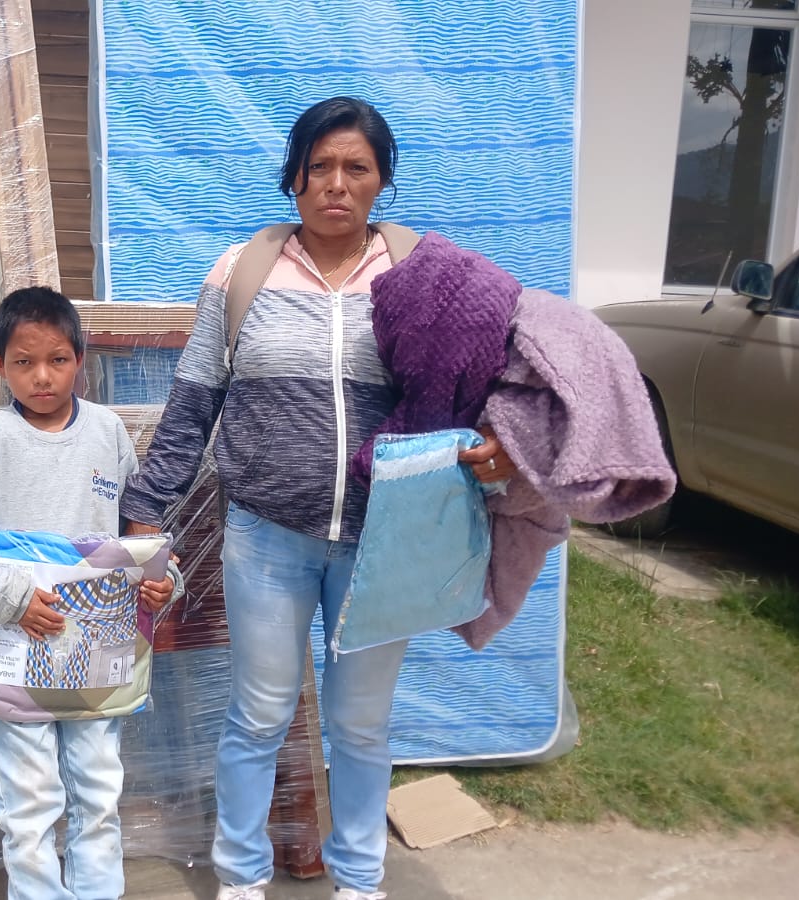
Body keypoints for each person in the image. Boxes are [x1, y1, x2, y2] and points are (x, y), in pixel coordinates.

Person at [119, 97, 513, 900]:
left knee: (361, 725)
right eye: (319, 166)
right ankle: (240, 879)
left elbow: (474, 388)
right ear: (293, 178)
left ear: (382, 181)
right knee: (258, 715)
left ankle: (360, 882)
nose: (337, 184)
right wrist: (146, 509)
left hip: (384, 540)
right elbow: (195, 402)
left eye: (356, 168)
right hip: (267, 537)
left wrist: (499, 447)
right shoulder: (242, 274)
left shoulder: (421, 277)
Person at [0, 285, 180, 900]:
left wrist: (163, 583)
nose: (42, 376)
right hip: (16, 647)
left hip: (98, 651)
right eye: (24, 361)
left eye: (58, 359)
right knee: (29, 801)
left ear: (80, 360)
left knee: (98, 791)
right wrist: (11, 597)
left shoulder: (107, 433)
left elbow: (139, 537)